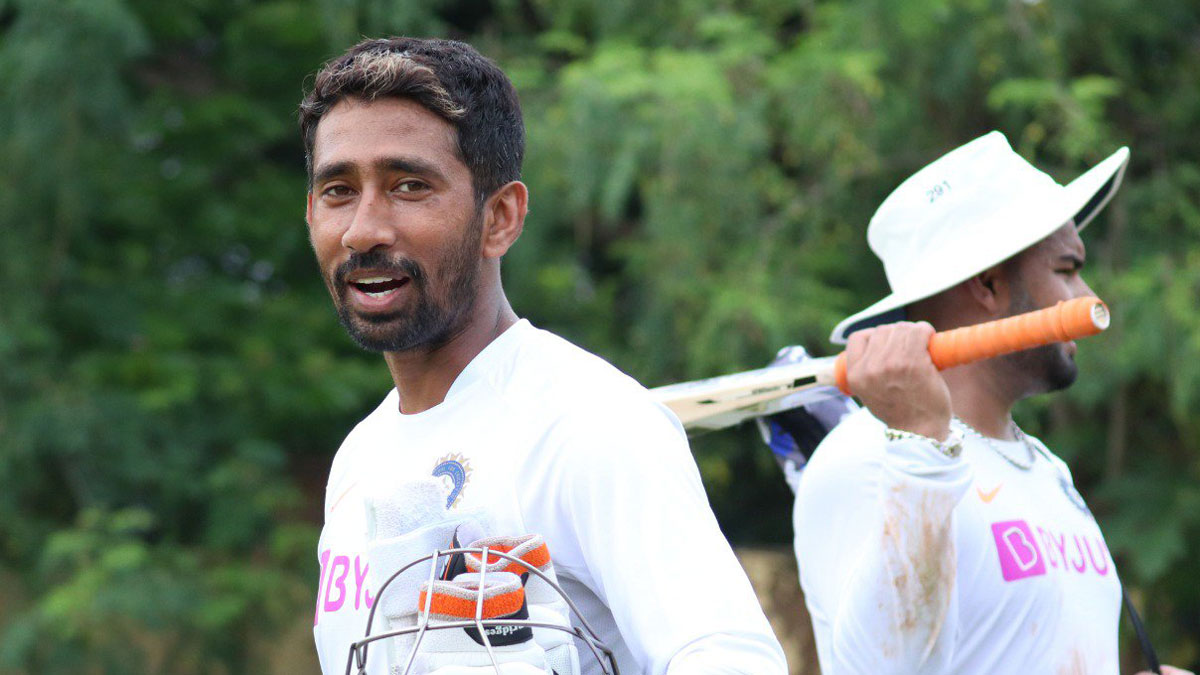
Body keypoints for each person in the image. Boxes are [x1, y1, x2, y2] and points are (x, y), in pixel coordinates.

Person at [298, 37, 787, 675]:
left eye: (409, 186)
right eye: (338, 190)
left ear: (500, 217)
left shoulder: (590, 424)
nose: (364, 229)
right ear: (311, 214)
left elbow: (732, 660)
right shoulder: (361, 459)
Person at [791, 131, 1192, 674]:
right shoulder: (870, 457)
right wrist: (918, 446)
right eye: (1067, 271)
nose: (1088, 299)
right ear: (987, 283)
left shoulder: (1049, 471)